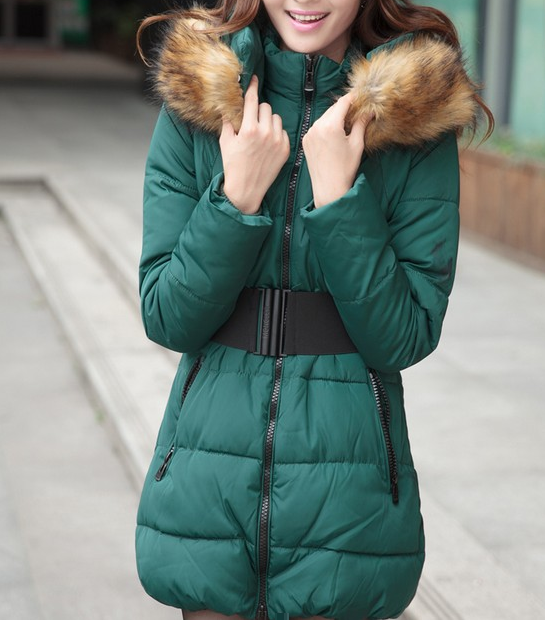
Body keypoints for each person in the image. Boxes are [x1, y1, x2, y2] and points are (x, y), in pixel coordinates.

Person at [134, 1, 493, 620]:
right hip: (206, 486)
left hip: (347, 507)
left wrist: (339, 199)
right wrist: (235, 197)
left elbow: (404, 336)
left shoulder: (414, 116)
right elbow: (167, 315)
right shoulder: (202, 95)